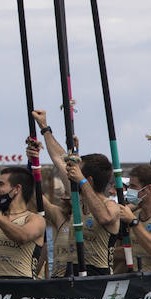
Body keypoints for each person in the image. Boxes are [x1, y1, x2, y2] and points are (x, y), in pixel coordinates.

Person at [29, 109, 116, 276]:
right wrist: (45, 128)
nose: (71, 173)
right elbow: (59, 159)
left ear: (88, 179)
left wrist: (81, 181)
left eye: (78, 171)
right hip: (70, 277)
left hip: (97, 279)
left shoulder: (112, 207)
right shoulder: (78, 197)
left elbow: (104, 217)